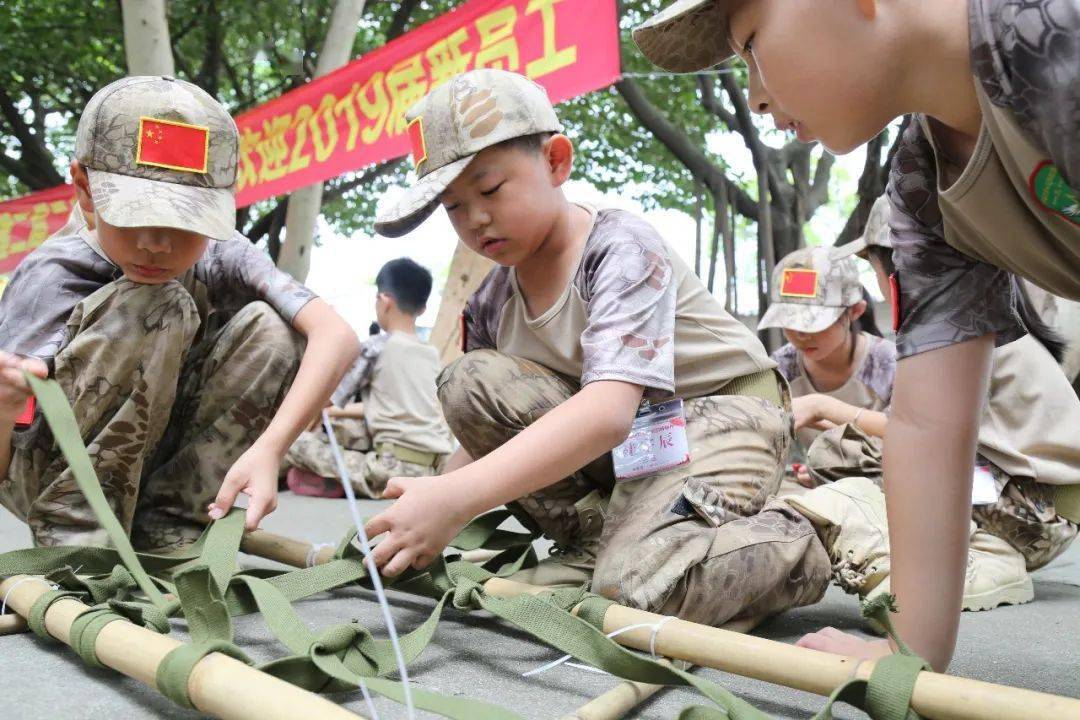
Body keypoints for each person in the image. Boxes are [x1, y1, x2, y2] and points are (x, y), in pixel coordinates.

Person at [633, 0, 1080, 669]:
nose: (753, 97)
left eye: (751, 46)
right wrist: (910, 658)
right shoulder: (923, 187)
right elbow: (928, 425)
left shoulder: (1052, 34)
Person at [362, 68, 831, 627]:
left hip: (724, 414)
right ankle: (599, 541)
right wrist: (426, 510)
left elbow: (607, 412)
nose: (476, 219)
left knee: (634, 593)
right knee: (467, 382)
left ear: (556, 161)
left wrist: (455, 501)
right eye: (454, 208)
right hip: (637, 443)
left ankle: (806, 537)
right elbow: (480, 439)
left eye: (489, 190)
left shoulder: (618, 248)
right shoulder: (489, 303)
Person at [0, 76, 359, 550]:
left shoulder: (219, 253)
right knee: (157, 303)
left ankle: (172, 526)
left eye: (183, 222)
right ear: (86, 190)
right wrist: (5, 406)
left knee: (276, 328)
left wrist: (270, 449)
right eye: (137, 217)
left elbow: (336, 336)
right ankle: (82, 545)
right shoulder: (52, 276)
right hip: (47, 477)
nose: (157, 244)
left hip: (153, 467)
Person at [284, 257, 453, 498]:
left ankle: (334, 477)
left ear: (384, 301)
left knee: (293, 442)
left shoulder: (377, 347)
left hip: (393, 469)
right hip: (435, 469)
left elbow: (324, 400)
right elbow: (387, 407)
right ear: (422, 308)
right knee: (340, 425)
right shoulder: (431, 354)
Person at [757, 246, 891, 478]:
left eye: (813, 323)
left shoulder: (888, 363)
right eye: (791, 321)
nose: (801, 333)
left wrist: (822, 407)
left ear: (855, 311)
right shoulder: (780, 370)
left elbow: (913, 432)